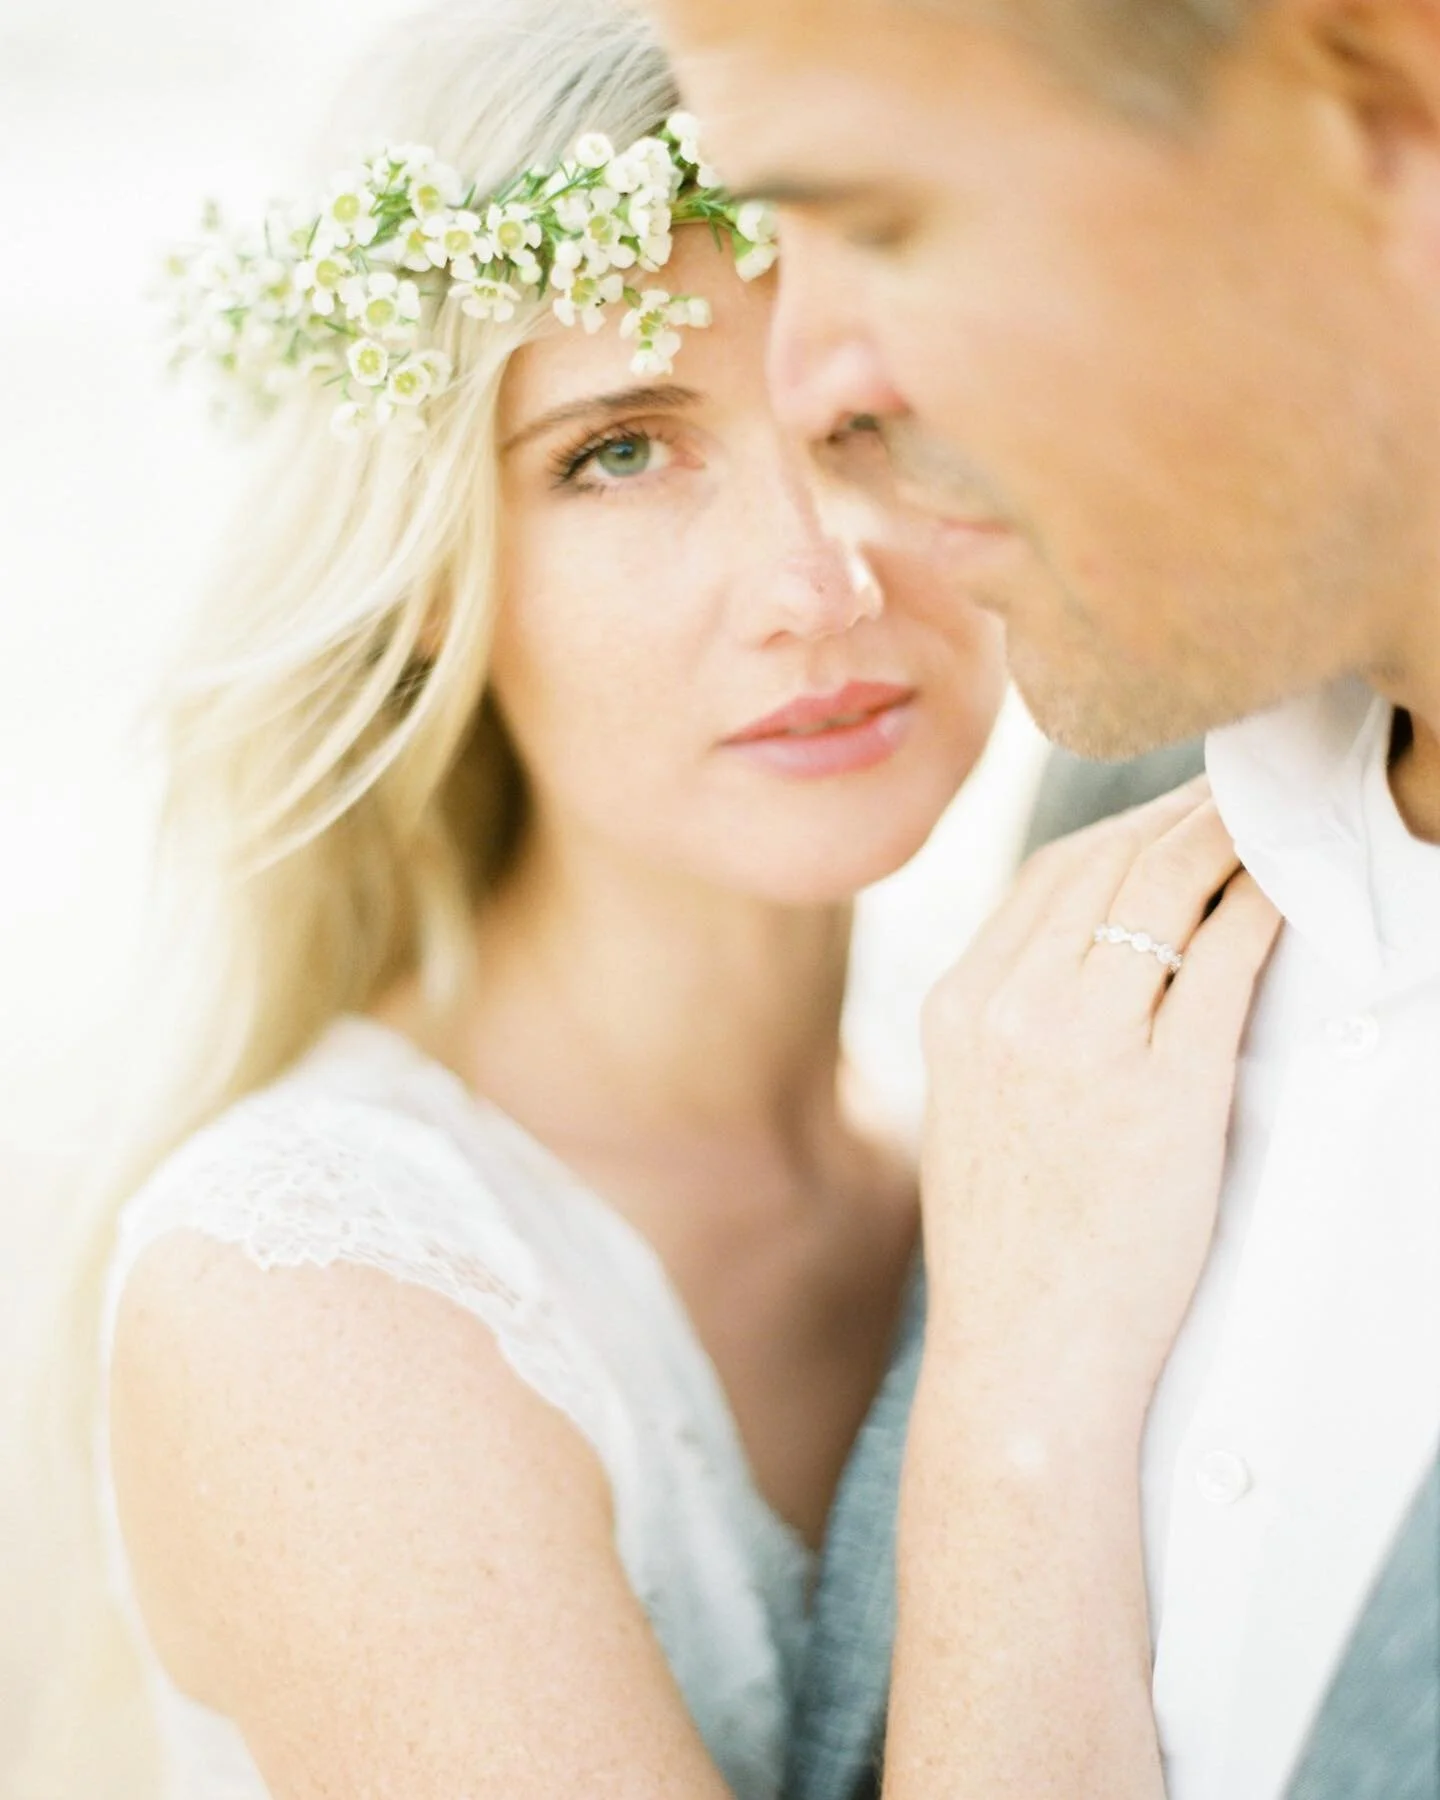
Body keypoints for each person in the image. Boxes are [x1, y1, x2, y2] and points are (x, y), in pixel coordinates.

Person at [14, 4, 1027, 1796]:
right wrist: (1054, 1360)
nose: (817, 577)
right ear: (423, 569)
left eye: (873, 410)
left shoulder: (1043, 1069)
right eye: (619, 449)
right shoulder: (313, 1291)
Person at [642, 3, 1440, 1798]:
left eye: (889, 221)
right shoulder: (1124, 827)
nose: (807, 391)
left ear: (1379, 105)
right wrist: (1015, 1421)